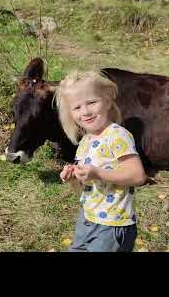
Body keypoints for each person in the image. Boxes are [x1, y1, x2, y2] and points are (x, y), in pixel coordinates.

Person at [55, 70, 147, 252]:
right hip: (88, 217)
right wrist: (73, 177)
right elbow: (85, 183)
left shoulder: (117, 135)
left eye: (91, 102)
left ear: (106, 100)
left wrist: (97, 172)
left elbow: (138, 176)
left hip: (113, 224)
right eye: (77, 107)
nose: (86, 111)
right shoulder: (85, 142)